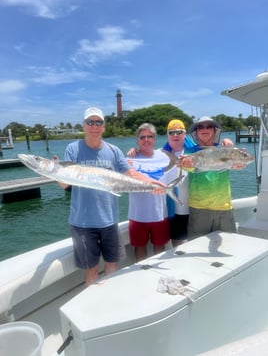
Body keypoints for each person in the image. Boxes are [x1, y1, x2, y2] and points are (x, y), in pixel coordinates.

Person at [59, 107, 165, 286]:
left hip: (109, 219)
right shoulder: (72, 149)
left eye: (98, 122)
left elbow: (130, 173)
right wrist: (56, 173)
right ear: (84, 125)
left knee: (112, 263)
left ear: (103, 126)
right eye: (90, 122)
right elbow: (64, 184)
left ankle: (109, 301)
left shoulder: (113, 150)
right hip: (82, 222)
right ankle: (92, 306)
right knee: (91, 268)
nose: (94, 126)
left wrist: (153, 183)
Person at [180, 116, 237, 239]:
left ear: (215, 130)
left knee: (229, 245)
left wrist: (231, 146)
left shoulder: (225, 150)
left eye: (209, 126)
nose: (204, 129)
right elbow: (189, 168)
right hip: (199, 209)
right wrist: (186, 165)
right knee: (197, 249)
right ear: (196, 131)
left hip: (224, 208)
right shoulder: (190, 152)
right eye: (201, 127)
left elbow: (238, 163)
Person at [127, 123, 171, 261]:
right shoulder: (129, 159)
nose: (146, 140)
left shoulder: (164, 156)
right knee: (139, 247)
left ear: (154, 138)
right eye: (142, 137)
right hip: (137, 214)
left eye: (149, 136)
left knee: (159, 246)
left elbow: (180, 146)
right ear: (137, 140)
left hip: (159, 213)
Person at [162, 119, 191, 247]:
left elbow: (214, 150)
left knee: (196, 243)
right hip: (173, 209)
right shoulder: (160, 154)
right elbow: (142, 158)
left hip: (195, 207)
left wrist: (226, 143)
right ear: (167, 135)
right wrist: (134, 151)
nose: (175, 135)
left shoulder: (195, 151)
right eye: (171, 132)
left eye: (179, 132)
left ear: (185, 134)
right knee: (177, 244)